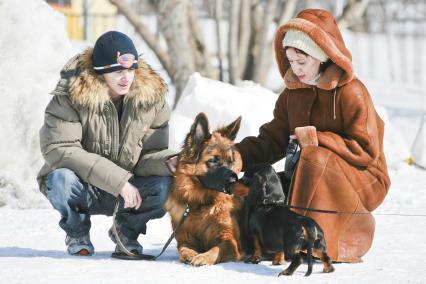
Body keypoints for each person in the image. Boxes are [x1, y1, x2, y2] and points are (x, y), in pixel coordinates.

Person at [233, 9, 391, 263]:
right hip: (308, 173)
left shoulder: (352, 92)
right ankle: (253, 241)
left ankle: (311, 241)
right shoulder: (292, 93)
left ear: (320, 56)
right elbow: (274, 138)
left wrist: (317, 139)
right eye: (290, 61)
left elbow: (367, 149)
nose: (295, 68)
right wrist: (238, 155)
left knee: (315, 157)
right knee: (260, 185)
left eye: (301, 61)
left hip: (365, 177)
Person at [37, 31, 176, 256]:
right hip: (84, 186)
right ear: (100, 72)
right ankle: (77, 233)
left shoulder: (151, 100)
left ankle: (126, 233)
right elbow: (60, 150)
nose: (126, 78)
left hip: (129, 192)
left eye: (131, 70)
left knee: (165, 186)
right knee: (60, 179)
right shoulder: (70, 96)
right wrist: (118, 181)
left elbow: (150, 154)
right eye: (118, 71)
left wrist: (168, 162)